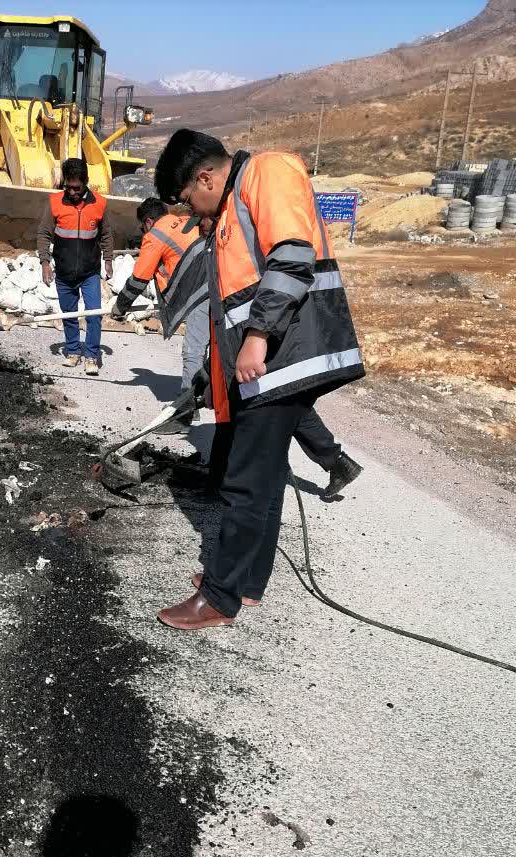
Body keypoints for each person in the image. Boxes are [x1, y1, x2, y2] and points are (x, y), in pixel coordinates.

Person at [152, 129, 366, 631]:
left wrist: (257, 339)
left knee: (244, 482)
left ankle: (219, 599)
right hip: (269, 359)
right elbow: (233, 307)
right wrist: (213, 371)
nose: (193, 211)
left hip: (282, 356)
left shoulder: (266, 173)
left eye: (189, 198)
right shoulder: (229, 210)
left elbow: (293, 257)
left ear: (204, 176)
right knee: (264, 481)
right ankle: (245, 584)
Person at [116, 201, 362, 492]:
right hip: (241, 326)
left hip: (251, 325)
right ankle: (332, 461)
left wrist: (241, 348)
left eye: (203, 220)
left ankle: (221, 473)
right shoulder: (212, 239)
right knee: (269, 398)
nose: (199, 227)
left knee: (263, 396)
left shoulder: (228, 240)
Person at [113, 197, 214, 460]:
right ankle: (203, 397)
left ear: (147, 221)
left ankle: (184, 413)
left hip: (200, 294)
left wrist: (120, 306)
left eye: (143, 227)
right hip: (221, 287)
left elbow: (139, 278)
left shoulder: (155, 235)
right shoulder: (185, 222)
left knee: (193, 352)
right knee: (215, 350)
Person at [38, 157, 113, 376]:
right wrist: (45, 262)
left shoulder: (100, 204)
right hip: (63, 272)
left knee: (93, 315)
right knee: (69, 314)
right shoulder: (54, 203)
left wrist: (108, 260)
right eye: (68, 188)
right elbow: (43, 233)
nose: (72, 192)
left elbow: (107, 234)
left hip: (90, 272)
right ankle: (72, 351)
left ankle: (91, 355)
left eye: (76, 188)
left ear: (86, 182)